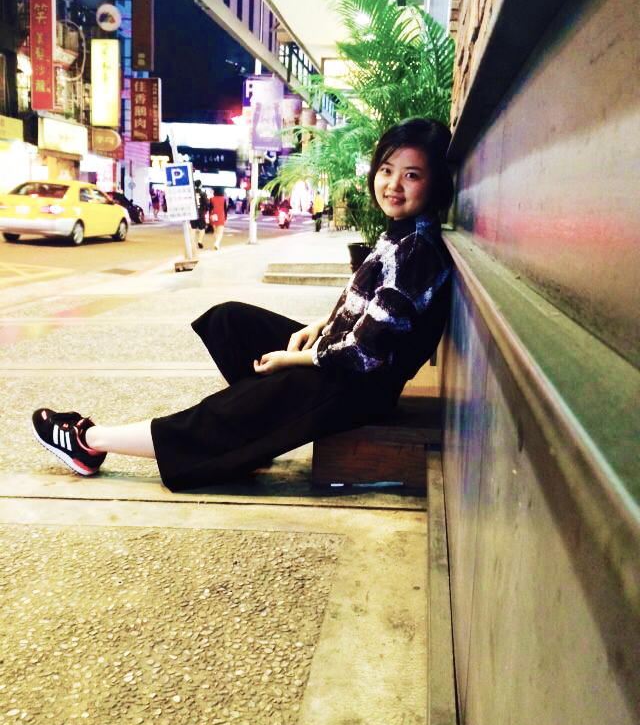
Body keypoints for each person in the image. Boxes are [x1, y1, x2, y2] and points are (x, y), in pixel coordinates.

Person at [31, 118, 454, 492]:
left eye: (411, 175)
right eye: (386, 170)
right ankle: (252, 434)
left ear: (436, 183)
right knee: (229, 321)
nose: (393, 185)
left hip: (359, 386)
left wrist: (295, 360)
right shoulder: (402, 232)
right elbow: (370, 310)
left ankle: (90, 442)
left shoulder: (416, 250)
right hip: (343, 359)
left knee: (237, 405)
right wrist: (318, 325)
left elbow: (365, 354)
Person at [190, 180, 208, 249]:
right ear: (200, 185)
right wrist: (205, 209)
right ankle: (200, 241)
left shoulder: (192, 193)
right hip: (201, 213)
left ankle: (192, 242)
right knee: (202, 228)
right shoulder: (203, 193)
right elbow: (206, 204)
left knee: (193, 228)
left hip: (193, 213)